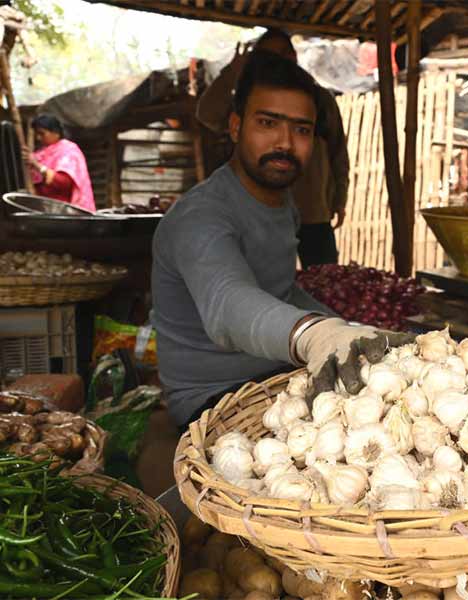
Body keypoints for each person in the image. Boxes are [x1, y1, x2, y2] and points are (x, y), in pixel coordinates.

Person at [152, 52, 409, 428]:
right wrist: (314, 333)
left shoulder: (282, 204)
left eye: (301, 129)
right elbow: (229, 304)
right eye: (268, 123)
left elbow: (282, 290)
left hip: (275, 374)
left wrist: (343, 327)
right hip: (214, 397)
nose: (285, 142)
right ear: (237, 127)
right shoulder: (201, 217)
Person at [197, 28, 349, 267]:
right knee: (268, 284)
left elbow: (338, 151)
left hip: (312, 211)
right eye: (268, 123)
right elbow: (207, 114)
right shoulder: (247, 98)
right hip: (259, 214)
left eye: (288, 53)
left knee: (324, 281)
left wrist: (339, 197)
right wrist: (233, 70)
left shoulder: (319, 99)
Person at [25, 114, 95, 211]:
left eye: (42, 134)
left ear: (56, 133)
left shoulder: (69, 151)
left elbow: (63, 183)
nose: (38, 138)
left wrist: (37, 166)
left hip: (64, 210)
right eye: (37, 134)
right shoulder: (39, 154)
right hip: (43, 209)